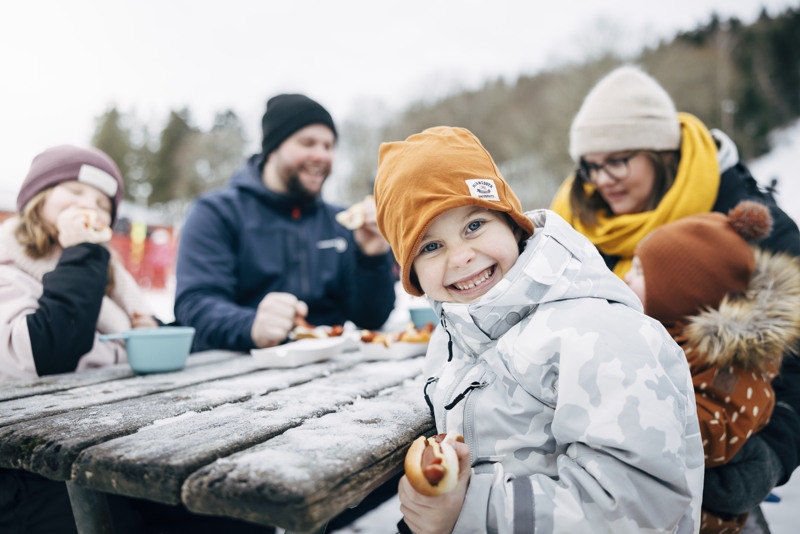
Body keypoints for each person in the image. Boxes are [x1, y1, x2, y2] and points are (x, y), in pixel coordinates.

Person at [374, 126, 704, 533]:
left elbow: (638, 507)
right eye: (430, 246)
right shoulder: (452, 334)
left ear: (512, 225)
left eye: (474, 225)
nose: (461, 257)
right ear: (413, 277)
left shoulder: (601, 334)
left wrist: (470, 512)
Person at [550, 64, 800, 527]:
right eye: (590, 165)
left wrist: (768, 458)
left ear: (661, 153)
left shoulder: (750, 227)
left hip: (719, 468)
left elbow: (795, 366)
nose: (602, 179)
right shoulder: (573, 228)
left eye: (619, 159)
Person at [0, 144, 160, 533]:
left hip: (110, 443)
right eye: (73, 192)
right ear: (38, 201)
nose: (90, 206)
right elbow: (45, 353)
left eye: (103, 203)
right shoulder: (8, 269)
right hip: (32, 469)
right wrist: (84, 250)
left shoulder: (104, 280)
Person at [623, 201, 800, 533]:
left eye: (641, 271)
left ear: (683, 292)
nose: (626, 277)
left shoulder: (731, 367)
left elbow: (712, 436)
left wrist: (630, 406)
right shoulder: (659, 333)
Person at [174, 93, 396, 352]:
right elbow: (195, 303)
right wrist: (250, 325)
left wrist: (371, 258)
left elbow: (371, 318)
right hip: (232, 372)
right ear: (273, 149)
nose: (321, 155)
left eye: (328, 146)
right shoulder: (216, 214)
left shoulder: (340, 223)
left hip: (330, 374)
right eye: (308, 143)